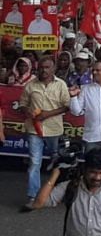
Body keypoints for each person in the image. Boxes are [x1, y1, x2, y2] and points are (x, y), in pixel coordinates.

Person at [31, 148, 101, 235]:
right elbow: (38, 203)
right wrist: (55, 174)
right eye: (93, 172)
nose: (97, 177)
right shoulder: (70, 187)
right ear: (85, 169)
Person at [19, 56, 70, 208]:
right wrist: (28, 111)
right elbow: (22, 104)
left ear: (53, 69)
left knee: (57, 162)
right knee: (34, 162)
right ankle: (33, 196)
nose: (44, 70)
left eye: (47, 67)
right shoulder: (30, 85)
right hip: (34, 130)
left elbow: (66, 106)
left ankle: (57, 194)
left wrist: (48, 114)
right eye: (41, 67)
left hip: (54, 129)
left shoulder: (61, 85)